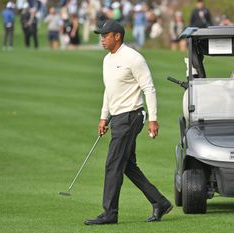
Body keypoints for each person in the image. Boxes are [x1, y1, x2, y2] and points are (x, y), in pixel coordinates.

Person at [84, 20, 172, 225]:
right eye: (101, 35)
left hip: (131, 116)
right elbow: (109, 90)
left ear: (117, 36)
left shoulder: (134, 58)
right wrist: (104, 116)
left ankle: (110, 213)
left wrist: (153, 119)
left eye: (106, 35)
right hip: (117, 117)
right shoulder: (107, 60)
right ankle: (160, 202)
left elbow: (149, 88)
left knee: (113, 163)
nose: (102, 39)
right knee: (126, 165)